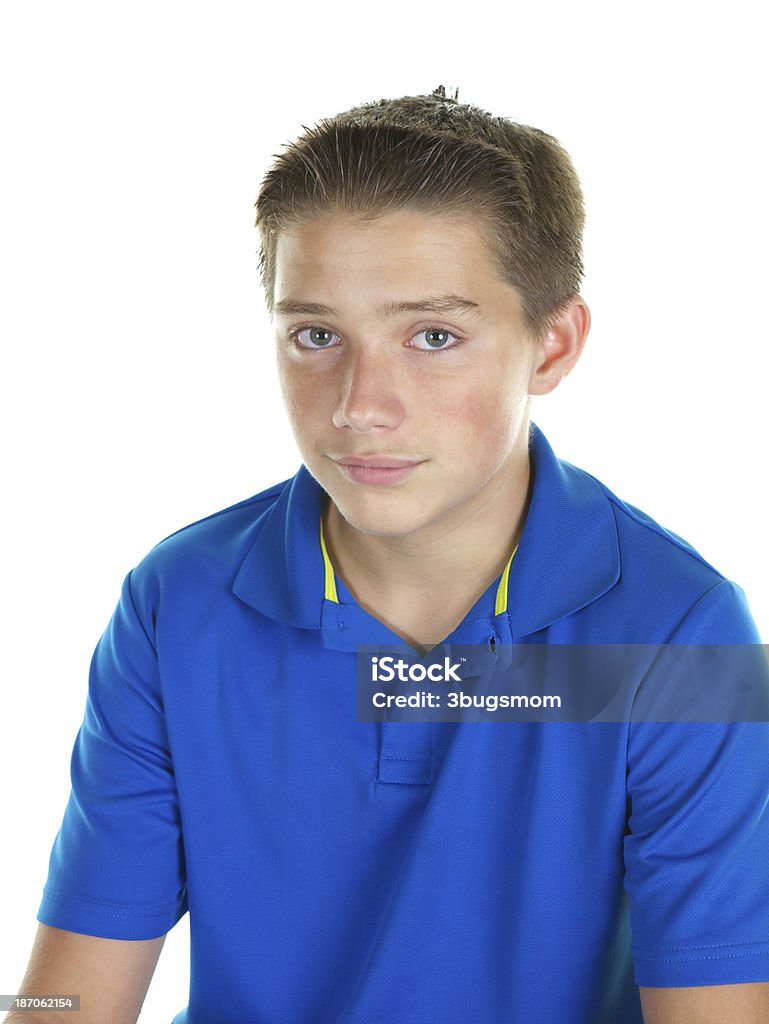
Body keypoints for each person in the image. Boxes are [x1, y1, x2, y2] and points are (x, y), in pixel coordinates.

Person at [6, 86, 769, 1024]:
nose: (360, 404)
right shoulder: (179, 604)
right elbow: (61, 1001)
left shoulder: (675, 637)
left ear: (552, 345)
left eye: (433, 336)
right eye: (317, 335)